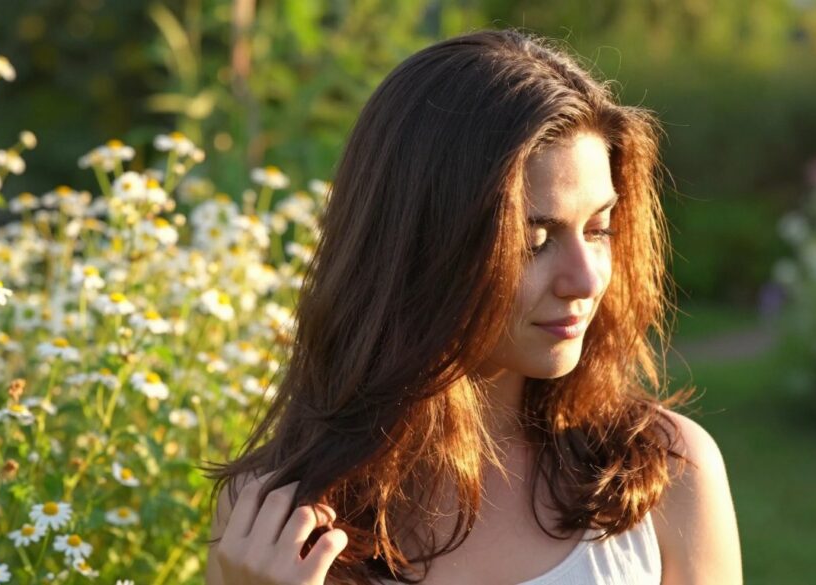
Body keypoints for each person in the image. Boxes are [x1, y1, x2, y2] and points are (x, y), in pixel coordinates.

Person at [204, 28, 742, 585]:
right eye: (534, 241)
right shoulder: (274, 528)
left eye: (599, 228)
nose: (585, 279)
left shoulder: (663, 476)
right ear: (419, 246)